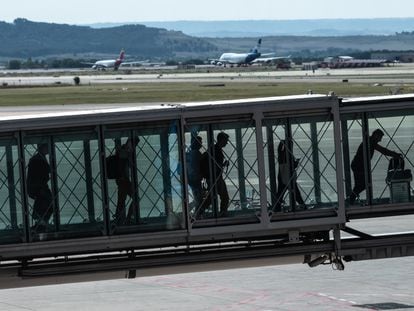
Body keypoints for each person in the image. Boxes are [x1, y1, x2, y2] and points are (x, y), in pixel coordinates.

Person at [349, 129, 401, 205]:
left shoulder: (369, 141)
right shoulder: (370, 142)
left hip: (358, 165)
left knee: (360, 185)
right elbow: (383, 151)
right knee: (363, 185)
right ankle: (351, 198)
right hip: (359, 166)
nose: (380, 140)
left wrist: (394, 154)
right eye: (380, 137)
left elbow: (383, 150)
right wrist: (395, 154)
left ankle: (352, 199)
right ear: (376, 135)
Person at [27, 143, 53, 232]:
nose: (49, 149)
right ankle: (41, 223)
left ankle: (40, 223)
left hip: (37, 187)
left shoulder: (36, 159)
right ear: (42, 148)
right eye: (47, 147)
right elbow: (39, 175)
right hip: (39, 187)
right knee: (47, 202)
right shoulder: (38, 160)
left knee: (43, 203)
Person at [203, 132, 230, 217]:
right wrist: (223, 165)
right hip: (216, 178)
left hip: (212, 177)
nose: (226, 143)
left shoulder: (213, 149)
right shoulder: (216, 150)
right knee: (224, 197)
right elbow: (216, 165)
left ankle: (200, 210)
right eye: (226, 140)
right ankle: (223, 213)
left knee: (211, 198)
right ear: (221, 140)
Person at [274, 140, 304, 212]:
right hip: (289, 177)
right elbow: (293, 166)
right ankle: (302, 205)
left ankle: (277, 208)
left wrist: (282, 142)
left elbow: (279, 149)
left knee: (280, 194)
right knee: (296, 194)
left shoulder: (281, 155)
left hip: (281, 177)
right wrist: (296, 162)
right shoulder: (289, 156)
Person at [115, 137, 139, 225]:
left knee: (121, 200)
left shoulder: (121, 150)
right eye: (134, 145)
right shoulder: (124, 151)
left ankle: (120, 219)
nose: (134, 147)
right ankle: (127, 219)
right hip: (123, 180)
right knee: (133, 198)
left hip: (122, 180)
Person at [187, 136, 204, 216]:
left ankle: (194, 213)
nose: (202, 144)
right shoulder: (197, 154)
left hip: (191, 179)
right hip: (196, 180)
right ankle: (195, 214)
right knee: (199, 199)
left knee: (198, 198)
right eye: (200, 142)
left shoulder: (189, 154)